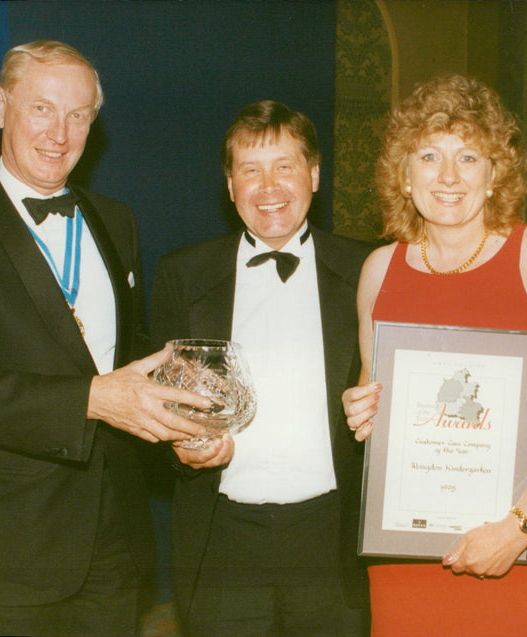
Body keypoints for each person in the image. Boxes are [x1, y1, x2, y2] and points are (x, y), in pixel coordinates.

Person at [0, 40, 210, 637]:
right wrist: (91, 399)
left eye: (78, 115)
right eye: (42, 108)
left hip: (115, 542)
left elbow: (119, 352)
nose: (59, 134)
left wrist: (185, 410)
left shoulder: (116, 219)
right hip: (6, 553)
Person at [341, 74, 527, 636]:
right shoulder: (378, 271)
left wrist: (517, 529)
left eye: (468, 157)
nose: (448, 176)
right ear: (404, 172)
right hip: (405, 548)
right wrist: (361, 411)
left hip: (519, 544)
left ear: (494, 173)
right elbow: (379, 414)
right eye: (429, 156)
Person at [150, 100, 373, 636]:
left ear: (314, 175)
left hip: (333, 538)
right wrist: (180, 449)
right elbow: (154, 404)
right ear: (230, 186)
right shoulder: (183, 274)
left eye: (284, 166)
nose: (268, 187)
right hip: (223, 538)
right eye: (250, 170)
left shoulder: (369, 268)